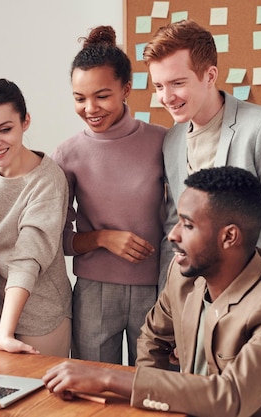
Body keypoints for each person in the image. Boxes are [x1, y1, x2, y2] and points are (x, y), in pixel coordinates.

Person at [43, 166, 261, 417]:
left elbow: (231, 397)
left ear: (229, 236)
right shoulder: (184, 274)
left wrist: (107, 378)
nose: (173, 235)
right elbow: (153, 338)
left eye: (187, 225)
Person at [143, 19, 261, 364]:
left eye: (178, 83)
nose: (166, 97)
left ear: (210, 75)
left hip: (259, 305)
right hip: (199, 309)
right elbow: (177, 237)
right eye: (158, 86)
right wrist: (176, 321)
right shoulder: (172, 140)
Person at [51, 26, 166, 366]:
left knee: (156, 390)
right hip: (92, 293)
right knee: (95, 398)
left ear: (126, 88)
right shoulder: (67, 154)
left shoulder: (164, 142)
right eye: (79, 98)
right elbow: (59, 239)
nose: (90, 108)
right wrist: (102, 238)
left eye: (102, 95)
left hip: (158, 291)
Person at [0, 78, 72, 357]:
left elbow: (27, 259)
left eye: (5, 129)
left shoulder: (48, 180)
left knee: (40, 399)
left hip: (37, 313)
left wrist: (5, 332)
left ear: (25, 122)